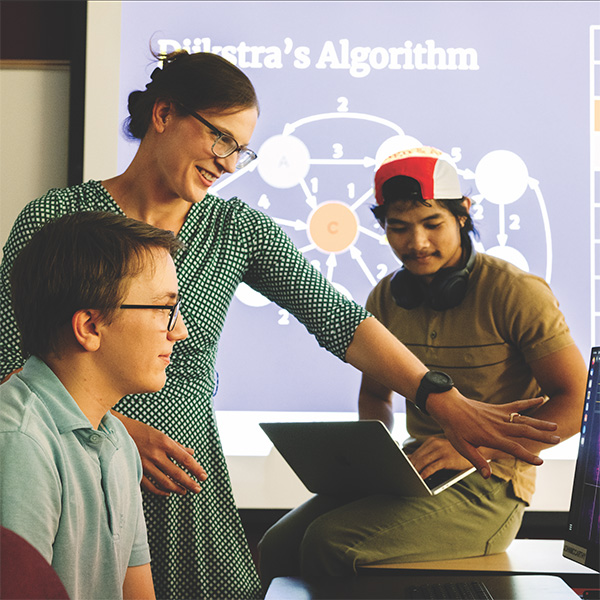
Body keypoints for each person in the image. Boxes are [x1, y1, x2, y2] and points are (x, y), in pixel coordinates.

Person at [0, 53, 561, 600]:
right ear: (164, 115)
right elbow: (7, 359)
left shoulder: (235, 227)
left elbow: (340, 319)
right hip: (72, 460)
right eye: (221, 139)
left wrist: (439, 397)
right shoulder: (58, 219)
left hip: (185, 481)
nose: (227, 163)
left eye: (240, 151)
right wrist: (114, 429)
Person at [257, 146, 587, 584]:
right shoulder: (385, 297)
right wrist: (370, 463)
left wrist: (473, 448)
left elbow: (577, 402)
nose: (416, 243)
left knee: (329, 543)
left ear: (463, 214)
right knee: (275, 546)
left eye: (432, 224)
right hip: (414, 472)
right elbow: (376, 395)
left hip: (491, 485)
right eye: (398, 228)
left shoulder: (516, 292)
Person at [0, 211, 191, 599]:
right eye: (163, 308)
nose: (179, 330)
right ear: (89, 327)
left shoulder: (118, 441)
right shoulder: (19, 443)